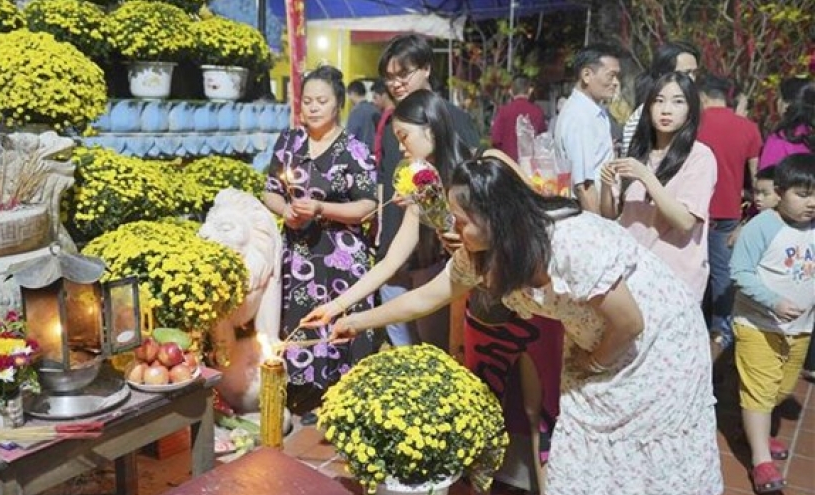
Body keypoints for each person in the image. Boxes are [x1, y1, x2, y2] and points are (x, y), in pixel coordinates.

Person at [330, 155, 722, 495]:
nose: (454, 229)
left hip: (655, 341)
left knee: (644, 457)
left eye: (463, 220)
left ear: (495, 218)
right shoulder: (484, 251)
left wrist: (596, 363)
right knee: (584, 452)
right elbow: (427, 296)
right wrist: (355, 320)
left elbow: (630, 322)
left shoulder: (568, 241)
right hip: (597, 341)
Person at [303, 89, 560, 492]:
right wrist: (337, 307)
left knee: (536, 408)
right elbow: (391, 262)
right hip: (476, 300)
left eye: (404, 138)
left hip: (529, 295)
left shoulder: (487, 166)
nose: (401, 149)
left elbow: (533, 216)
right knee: (484, 397)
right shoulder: (423, 188)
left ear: (432, 129)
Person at [262, 65, 379, 416]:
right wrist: (286, 211)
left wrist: (321, 208)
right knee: (301, 319)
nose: (312, 108)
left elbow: (367, 205)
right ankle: (306, 392)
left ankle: (343, 396)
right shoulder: (289, 142)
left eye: (321, 101)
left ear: (338, 104)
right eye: (307, 100)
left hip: (340, 256)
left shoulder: (354, 149)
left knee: (340, 322)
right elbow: (270, 191)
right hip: (299, 253)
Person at [373, 34, 479, 348]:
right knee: (402, 349)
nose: (395, 84)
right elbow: (387, 179)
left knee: (436, 347)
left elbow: (467, 183)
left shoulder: (452, 118)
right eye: (389, 78)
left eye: (403, 74)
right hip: (396, 247)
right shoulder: (393, 121)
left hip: (436, 255)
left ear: (426, 69)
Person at [729, 153, 815, 493]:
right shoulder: (762, 226)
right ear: (779, 192)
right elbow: (740, 272)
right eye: (803, 194)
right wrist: (773, 301)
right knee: (761, 392)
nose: (812, 203)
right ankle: (762, 462)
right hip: (758, 325)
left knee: (781, 389)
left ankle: (756, 432)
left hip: (801, 329)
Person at [600, 71, 717, 300]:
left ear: (690, 109)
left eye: (678, 102)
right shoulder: (639, 151)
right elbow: (611, 214)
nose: (666, 110)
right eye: (659, 101)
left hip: (673, 282)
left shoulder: (700, 156)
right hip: (631, 275)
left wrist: (646, 176)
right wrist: (606, 185)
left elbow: (684, 222)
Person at [696, 73, 763, 354]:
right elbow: (756, 178)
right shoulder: (748, 128)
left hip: (694, 210)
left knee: (692, 271)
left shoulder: (693, 123)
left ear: (702, 96)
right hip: (728, 211)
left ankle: (692, 327)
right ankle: (721, 331)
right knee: (723, 275)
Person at [553, 43, 623, 214]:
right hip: (589, 216)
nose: (615, 83)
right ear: (586, 75)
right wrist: (600, 231)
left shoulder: (593, 111)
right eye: (610, 76)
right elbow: (583, 185)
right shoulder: (580, 117)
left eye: (617, 77)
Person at [621, 41, 700, 156]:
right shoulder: (644, 115)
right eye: (686, 73)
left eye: (695, 73)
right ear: (663, 75)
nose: (692, 79)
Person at [490, 75, 546, 162]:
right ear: (530, 91)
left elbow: (495, 140)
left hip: (508, 167)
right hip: (530, 168)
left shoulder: (503, 112)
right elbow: (543, 140)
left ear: (511, 92)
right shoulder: (538, 112)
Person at [760, 81, 815, 169]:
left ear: (786, 105)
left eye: (779, 98)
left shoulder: (779, 140)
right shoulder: (809, 134)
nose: (777, 102)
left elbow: (766, 179)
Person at [345, 79, 379, 150]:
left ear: (353, 93)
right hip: (376, 152)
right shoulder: (375, 109)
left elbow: (350, 135)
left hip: (361, 154)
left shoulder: (355, 112)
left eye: (349, 95)